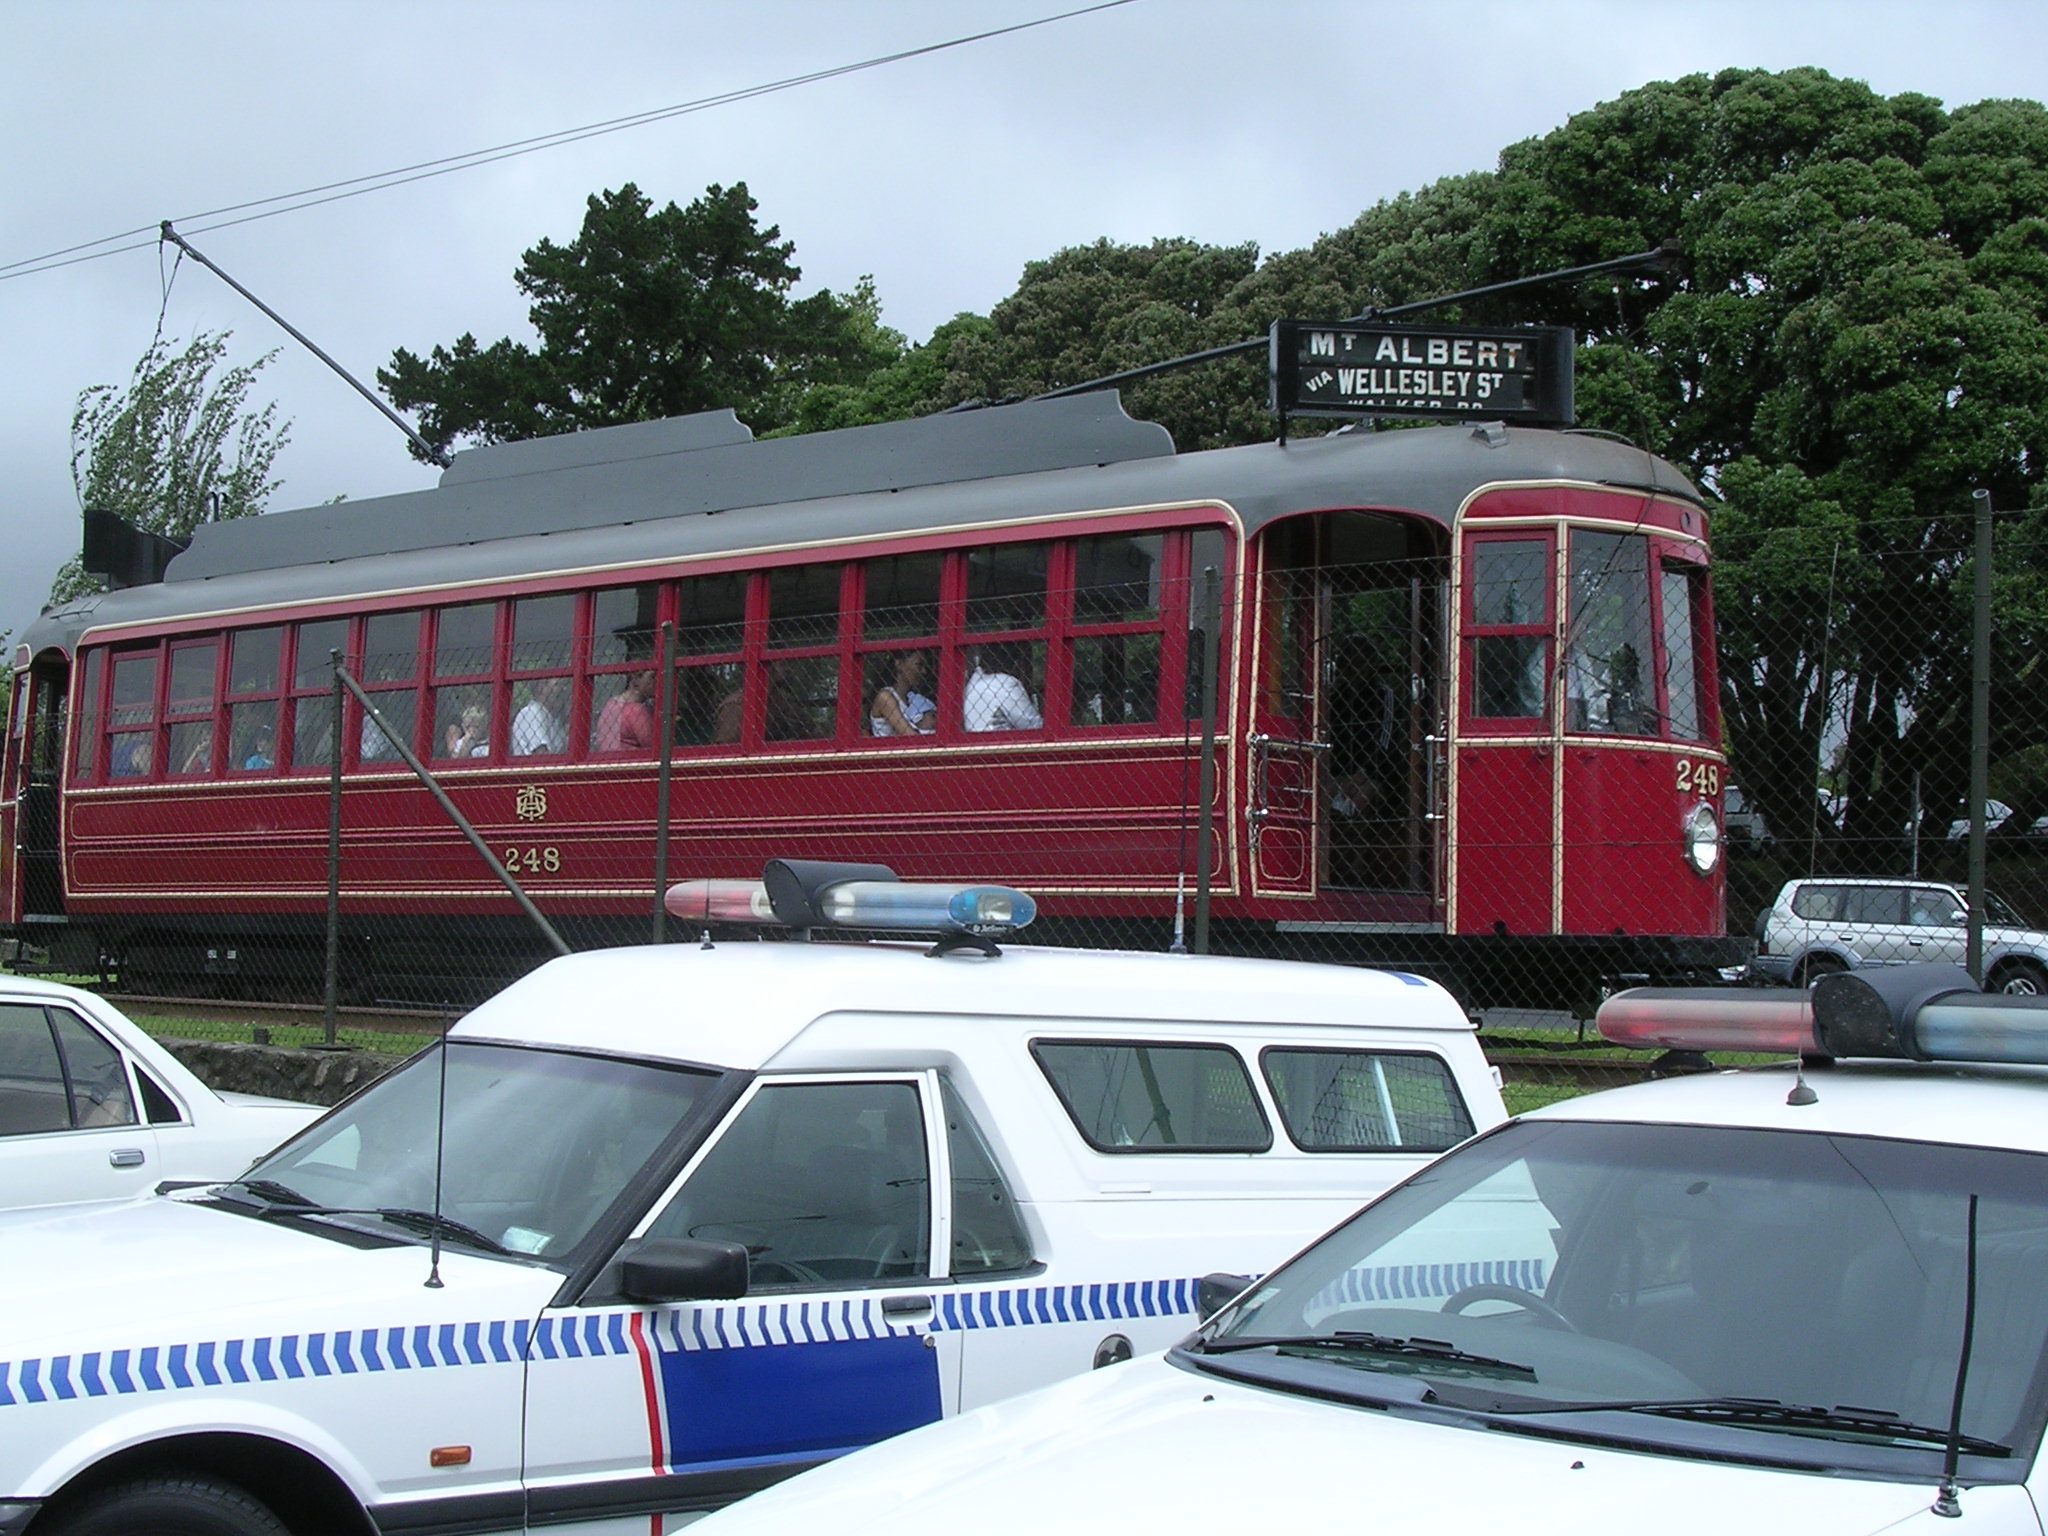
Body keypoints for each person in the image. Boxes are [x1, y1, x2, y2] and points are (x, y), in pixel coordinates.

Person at [963, 644, 1041, 732]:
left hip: (973, 741)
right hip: (1000, 741)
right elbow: (1031, 724)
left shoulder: (973, 683)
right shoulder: (1006, 683)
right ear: (1015, 663)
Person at [869, 650, 936, 736]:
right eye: (919, 665)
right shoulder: (885, 697)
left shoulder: (913, 700)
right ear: (899, 664)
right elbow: (909, 735)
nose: (923, 671)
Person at [594, 666, 657, 752]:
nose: (657, 682)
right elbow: (653, 745)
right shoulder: (636, 711)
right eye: (652, 677)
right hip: (633, 761)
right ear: (636, 679)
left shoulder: (611, 704)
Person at [512, 676, 569, 756]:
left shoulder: (552, 718)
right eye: (557, 685)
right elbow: (541, 756)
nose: (564, 689)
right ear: (542, 687)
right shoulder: (532, 712)